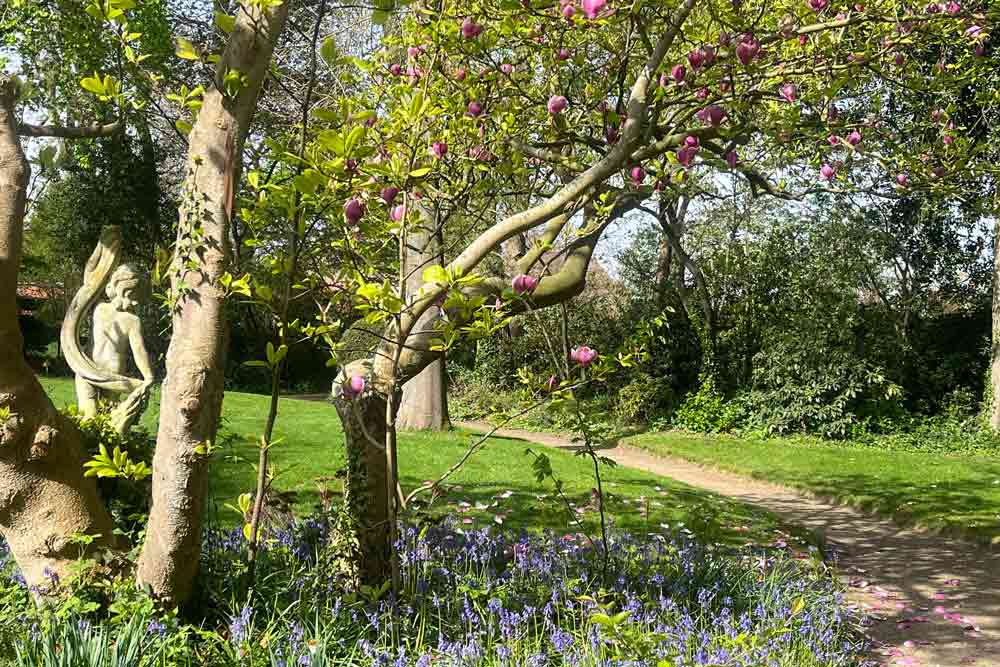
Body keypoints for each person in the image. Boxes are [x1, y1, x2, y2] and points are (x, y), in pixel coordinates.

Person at [74, 264, 154, 421]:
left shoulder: (99, 308)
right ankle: (96, 444)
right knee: (98, 414)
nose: (136, 304)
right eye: (135, 298)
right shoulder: (129, 319)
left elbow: (139, 350)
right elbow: (139, 350)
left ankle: (92, 443)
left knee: (94, 416)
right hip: (93, 369)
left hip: (95, 369)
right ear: (124, 291)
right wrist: (148, 376)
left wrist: (148, 376)